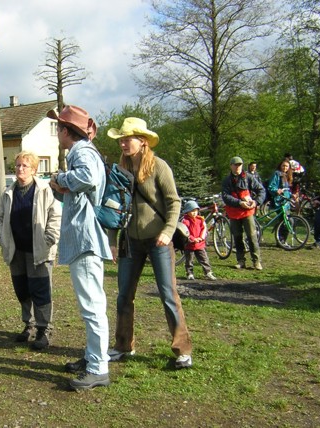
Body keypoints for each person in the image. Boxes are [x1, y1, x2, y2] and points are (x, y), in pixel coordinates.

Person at [106, 117, 193, 370]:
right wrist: (112, 240)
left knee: (168, 295)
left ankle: (182, 350)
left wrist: (167, 231)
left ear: (142, 141)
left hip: (158, 241)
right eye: (120, 139)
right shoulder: (119, 170)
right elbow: (113, 207)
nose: (122, 143)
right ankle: (124, 346)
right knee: (123, 296)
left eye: (127, 139)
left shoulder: (158, 166)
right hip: (130, 242)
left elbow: (174, 202)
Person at [47, 105, 112, 391]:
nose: (56, 133)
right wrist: (62, 188)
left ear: (65, 131)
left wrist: (59, 179)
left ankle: (98, 367)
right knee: (91, 304)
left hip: (86, 240)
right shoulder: (82, 152)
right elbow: (78, 196)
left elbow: (88, 179)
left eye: (57, 128)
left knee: (92, 306)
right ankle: (92, 358)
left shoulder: (82, 153)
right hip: (84, 237)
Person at [0, 151, 61, 350]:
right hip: (16, 250)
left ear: (34, 170)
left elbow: (56, 215)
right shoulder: (9, 192)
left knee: (40, 290)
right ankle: (29, 325)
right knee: (22, 290)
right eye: (17, 166)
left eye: (25, 166)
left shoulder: (44, 190)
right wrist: (2, 238)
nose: (20, 169)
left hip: (39, 250)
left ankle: (44, 330)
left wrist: (49, 238)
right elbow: (0, 218)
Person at [222, 156, 266, 270]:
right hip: (234, 213)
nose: (237, 167)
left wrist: (256, 202)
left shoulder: (249, 178)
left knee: (252, 236)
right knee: (237, 236)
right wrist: (239, 203)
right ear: (231, 166)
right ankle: (240, 260)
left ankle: (256, 261)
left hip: (247, 212)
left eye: (239, 165)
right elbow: (226, 197)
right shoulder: (227, 180)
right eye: (235, 165)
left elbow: (261, 190)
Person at [181, 200, 217, 281]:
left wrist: (201, 238)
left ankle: (208, 272)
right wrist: (193, 239)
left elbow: (204, 229)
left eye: (195, 211)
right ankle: (189, 273)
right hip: (189, 245)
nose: (194, 213)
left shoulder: (200, 220)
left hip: (200, 244)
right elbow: (185, 232)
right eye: (192, 211)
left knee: (204, 259)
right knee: (189, 260)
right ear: (187, 212)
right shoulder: (185, 221)